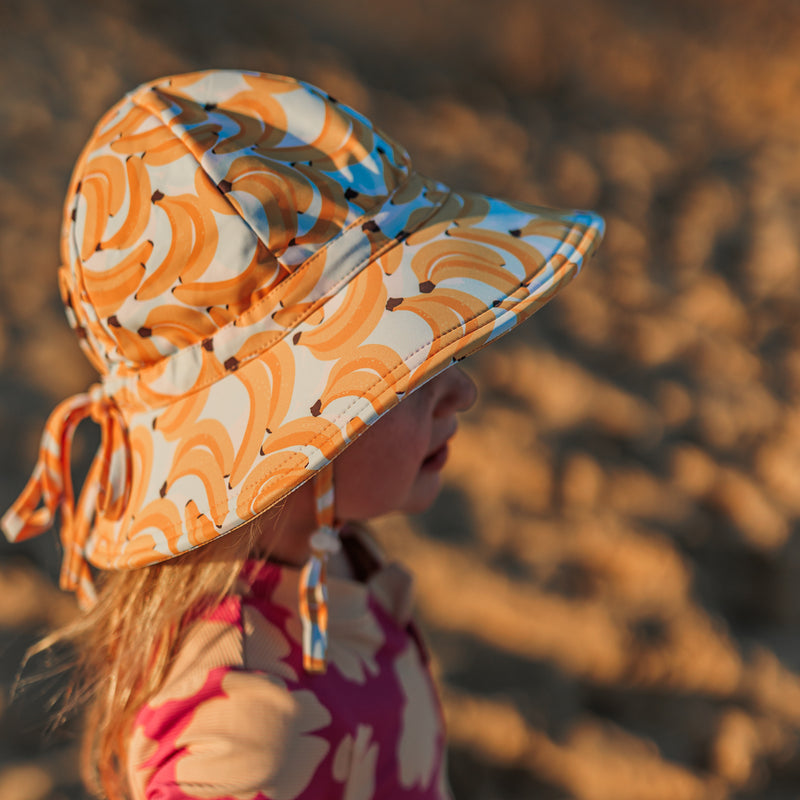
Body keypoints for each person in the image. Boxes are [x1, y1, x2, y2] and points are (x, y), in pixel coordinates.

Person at [1, 69, 604, 799]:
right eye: (403, 370)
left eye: (448, 350)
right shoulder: (236, 731)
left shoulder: (328, 558)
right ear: (289, 430)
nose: (462, 390)